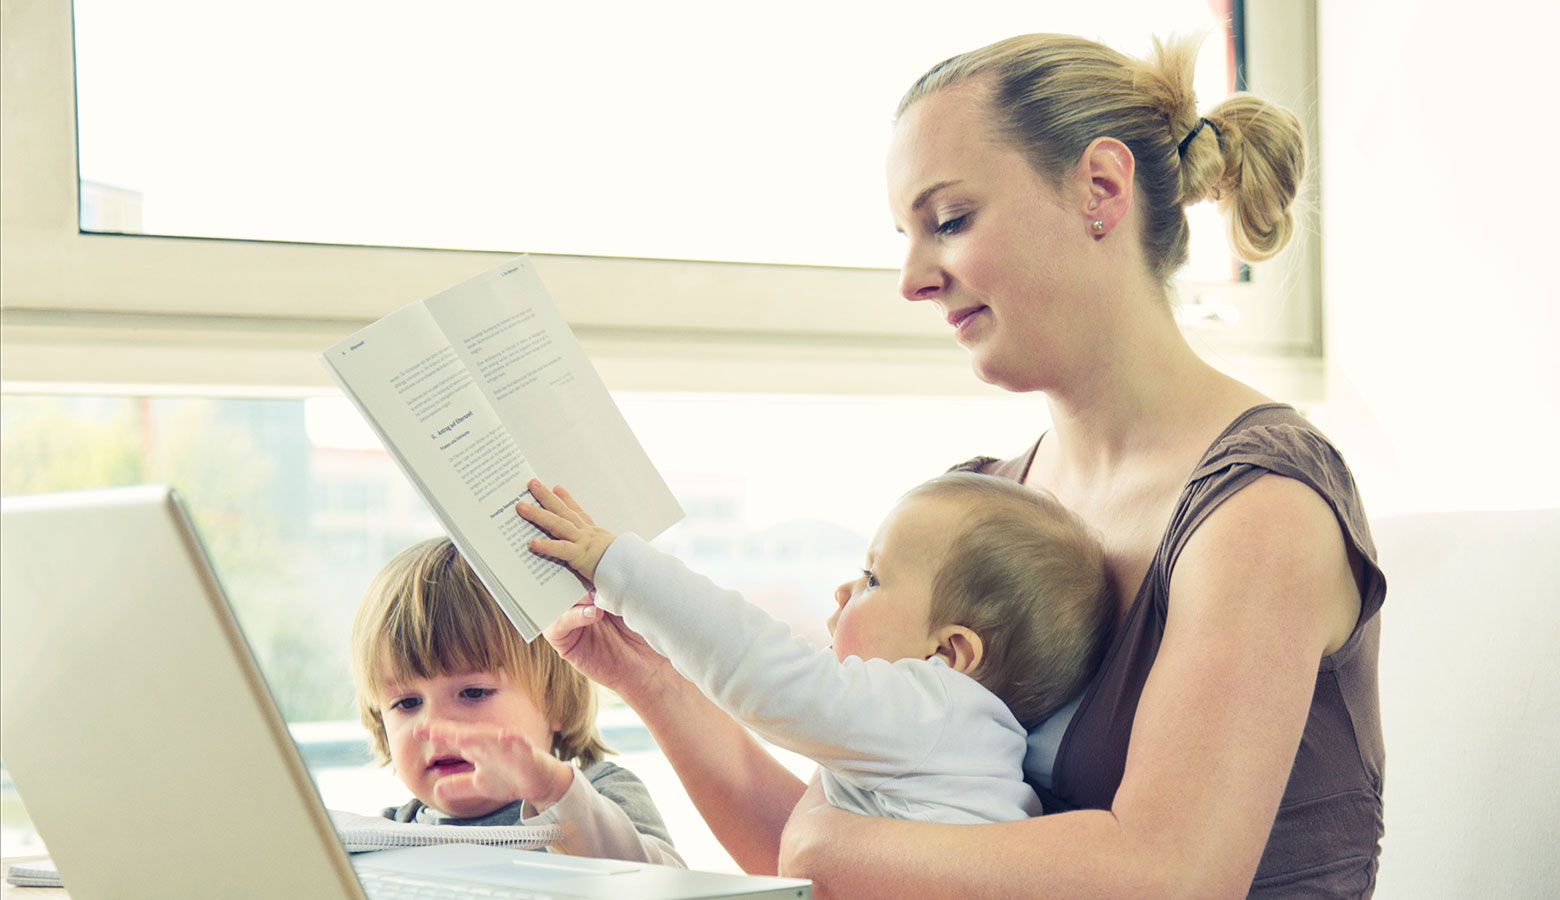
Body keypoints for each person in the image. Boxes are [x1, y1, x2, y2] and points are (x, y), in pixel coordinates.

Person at [541, 31, 1386, 900]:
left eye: (948, 221)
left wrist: (826, 850)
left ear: (1101, 188)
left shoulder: (1261, 509)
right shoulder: (989, 504)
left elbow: (1169, 876)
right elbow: (886, 851)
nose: (912, 278)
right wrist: (649, 678)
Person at [516, 471, 1113, 826]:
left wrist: (617, 566)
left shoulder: (934, 711)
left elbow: (759, 668)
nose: (845, 588)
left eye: (874, 580)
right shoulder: (954, 744)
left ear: (950, 655)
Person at [348, 536, 684, 866]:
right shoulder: (387, 834)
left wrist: (555, 794)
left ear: (555, 702)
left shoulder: (601, 794)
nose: (434, 727)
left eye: (473, 693)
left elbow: (669, 887)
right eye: (407, 703)